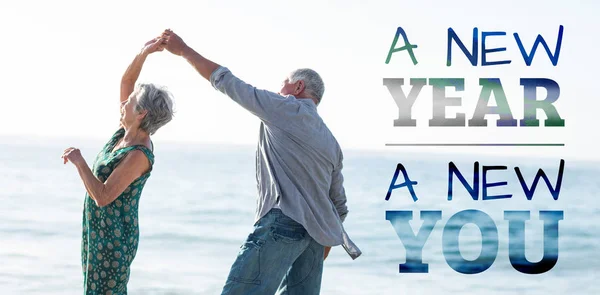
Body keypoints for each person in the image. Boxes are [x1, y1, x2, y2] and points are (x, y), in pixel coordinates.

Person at [161, 29, 361, 295]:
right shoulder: (331, 142)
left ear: (298, 87)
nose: (279, 90)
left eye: (284, 84)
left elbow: (227, 82)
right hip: (315, 238)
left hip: (282, 225)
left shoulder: (284, 107)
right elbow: (339, 205)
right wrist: (320, 244)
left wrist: (183, 50)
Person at [61, 37, 174, 294]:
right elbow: (126, 82)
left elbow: (103, 196)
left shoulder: (139, 154)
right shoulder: (125, 132)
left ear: (142, 113)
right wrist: (145, 52)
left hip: (114, 238)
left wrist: (80, 163)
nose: (123, 104)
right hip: (97, 230)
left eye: (130, 102)